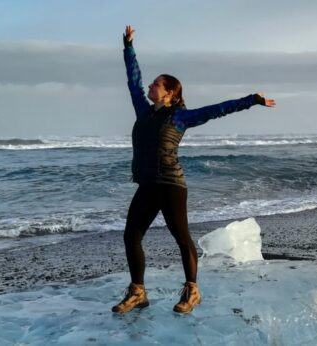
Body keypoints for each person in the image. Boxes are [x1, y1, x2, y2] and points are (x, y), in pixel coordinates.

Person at [111, 25, 276, 314]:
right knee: (131, 235)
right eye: (151, 84)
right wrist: (128, 47)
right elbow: (132, 79)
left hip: (172, 185)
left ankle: (192, 291)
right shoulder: (144, 110)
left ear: (170, 92)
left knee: (181, 236)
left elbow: (218, 109)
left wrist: (252, 100)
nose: (150, 87)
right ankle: (138, 292)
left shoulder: (181, 117)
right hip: (148, 185)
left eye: (156, 84)